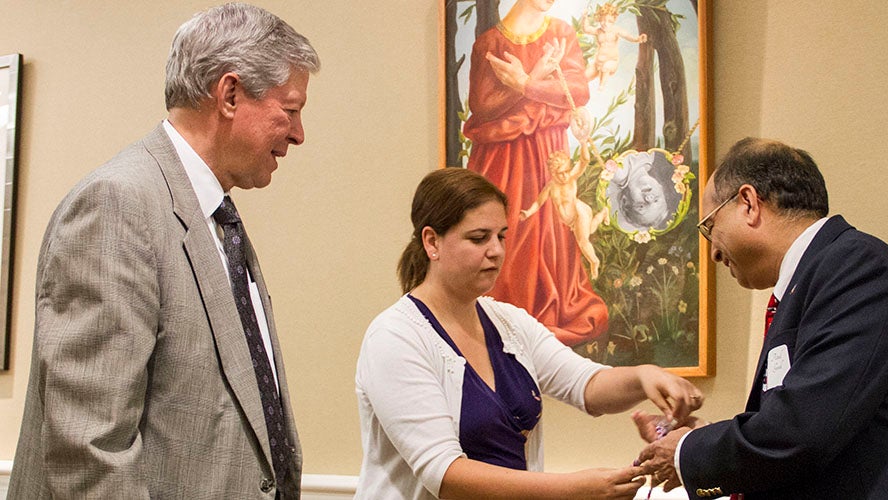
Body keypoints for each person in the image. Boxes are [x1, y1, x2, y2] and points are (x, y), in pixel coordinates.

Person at [8, 4, 320, 498]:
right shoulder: (118, 205)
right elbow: (89, 449)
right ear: (231, 94)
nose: (300, 135)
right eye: (292, 110)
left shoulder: (217, 218)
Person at [633, 138, 888, 499]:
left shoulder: (856, 266)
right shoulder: (812, 280)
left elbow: (804, 430)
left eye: (710, 226)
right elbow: (804, 422)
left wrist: (688, 451)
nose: (712, 252)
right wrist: (704, 439)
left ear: (748, 203)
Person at [355, 167, 704, 499]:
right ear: (432, 242)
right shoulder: (395, 337)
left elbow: (587, 386)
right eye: (478, 238)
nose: (495, 250)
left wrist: (645, 377)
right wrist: (573, 490)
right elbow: (444, 473)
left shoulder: (509, 323)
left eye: (501, 236)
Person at [463, 0, 609, 346]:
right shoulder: (489, 44)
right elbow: (481, 106)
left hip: (547, 150)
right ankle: (500, 321)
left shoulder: (560, 33)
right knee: (511, 226)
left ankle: (545, 313)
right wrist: (526, 86)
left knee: (546, 230)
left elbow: (577, 91)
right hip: (502, 155)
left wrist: (527, 83)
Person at [519, 114, 609, 279]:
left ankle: (594, 262)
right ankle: (602, 214)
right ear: (552, 173)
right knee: (589, 231)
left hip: (579, 212)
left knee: (583, 241)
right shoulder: (551, 186)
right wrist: (527, 213)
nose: (564, 176)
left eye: (566, 171)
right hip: (571, 221)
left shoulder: (571, 177)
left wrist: (583, 143)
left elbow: (584, 160)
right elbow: (538, 203)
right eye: (560, 173)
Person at [581, 3, 648, 90]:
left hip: (611, 62)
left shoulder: (616, 30)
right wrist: (584, 18)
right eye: (602, 20)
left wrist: (637, 39)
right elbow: (586, 29)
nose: (605, 23)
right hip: (597, 64)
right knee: (583, 78)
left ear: (614, 20)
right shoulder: (598, 31)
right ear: (599, 19)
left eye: (609, 21)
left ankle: (601, 85)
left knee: (605, 67)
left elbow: (627, 36)